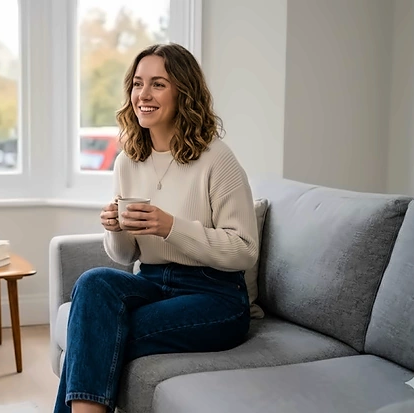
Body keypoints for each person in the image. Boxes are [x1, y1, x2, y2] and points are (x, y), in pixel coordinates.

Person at [52, 43, 259, 413]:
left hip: (214, 295)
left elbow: (244, 249)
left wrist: (171, 228)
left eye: (158, 84)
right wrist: (115, 227)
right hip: (149, 282)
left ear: (184, 92)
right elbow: (124, 255)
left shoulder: (216, 159)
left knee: (93, 335)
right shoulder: (128, 162)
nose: (143, 95)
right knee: (93, 282)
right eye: (137, 83)